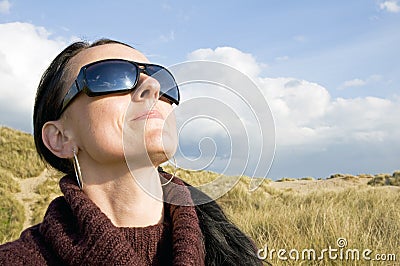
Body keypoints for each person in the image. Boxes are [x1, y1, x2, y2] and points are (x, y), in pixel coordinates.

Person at [0, 39, 262, 265]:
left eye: (161, 79)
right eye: (112, 76)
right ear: (60, 138)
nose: (153, 88)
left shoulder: (234, 249)